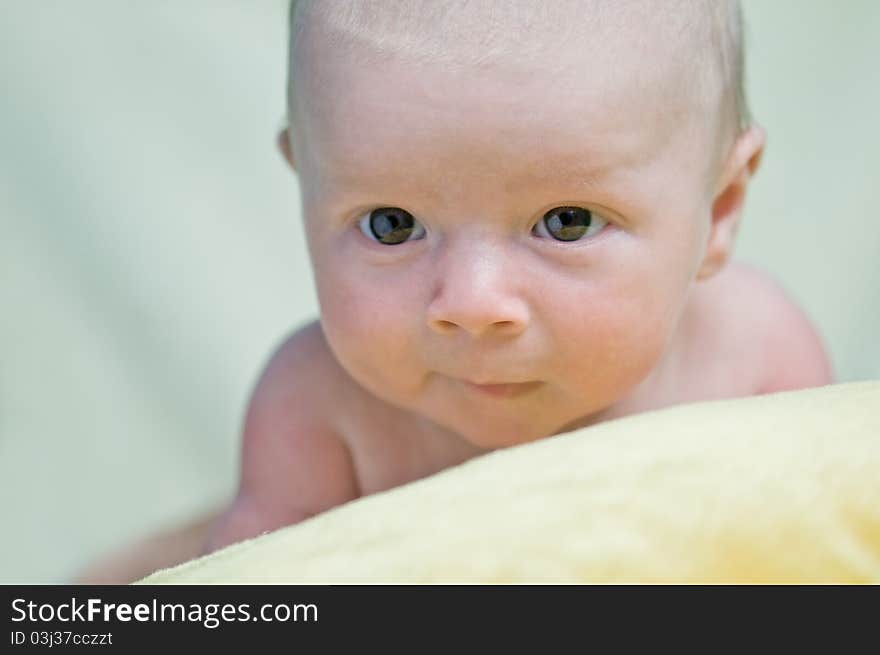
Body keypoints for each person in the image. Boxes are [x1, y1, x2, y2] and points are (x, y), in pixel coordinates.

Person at [75, 0, 832, 583]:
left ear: (721, 206)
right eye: (392, 223)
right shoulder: (319, 413)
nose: (470, 302)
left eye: (565, 222)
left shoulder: (756, 360)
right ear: (307, 185)